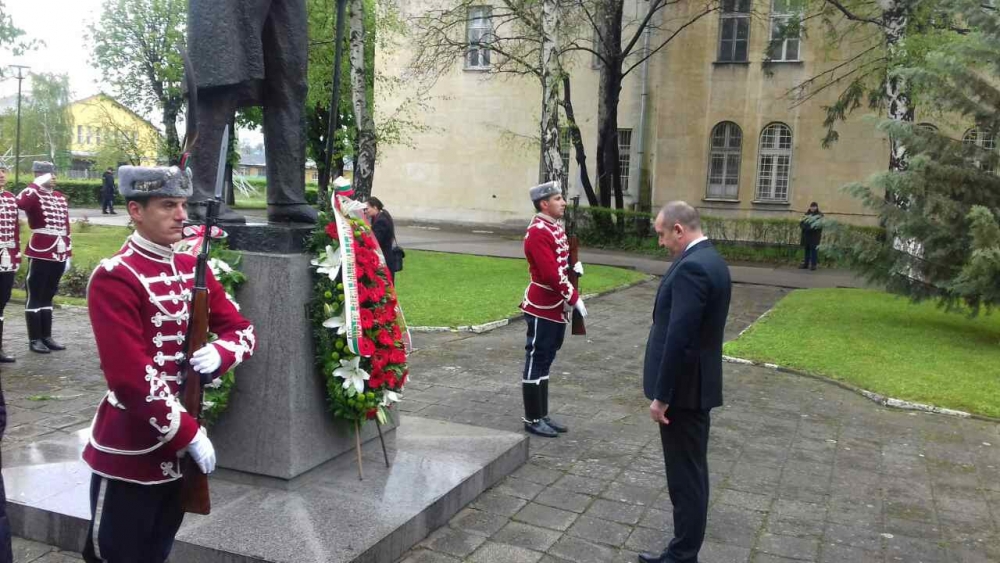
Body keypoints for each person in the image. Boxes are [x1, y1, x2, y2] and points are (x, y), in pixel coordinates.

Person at [81, 165, 256, 563]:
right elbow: (130, 379)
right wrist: (190, 434)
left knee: (157, 551)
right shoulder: (116, 276)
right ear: (135, 211)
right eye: (167, 205)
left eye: (182, 204)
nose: (181, 215)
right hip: (131, 450)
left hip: (178, 458)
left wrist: (223, 352)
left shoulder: (193, 269)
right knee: (114, 555)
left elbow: (243, 330)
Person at [639, 201, 731, 563]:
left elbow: (680, 338)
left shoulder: (693, 267)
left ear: (679, 229)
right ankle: (684, 549)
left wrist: (662, 397)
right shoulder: (711, 259)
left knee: (685, 478)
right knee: (692, 471)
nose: (660, 242)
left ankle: (682, 555)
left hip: (684, 392)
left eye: (662, 234)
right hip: (696, 385)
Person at [519, 181, 586, 438]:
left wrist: (573, 268)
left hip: (555, 307)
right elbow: (548, 274)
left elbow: (559, 265)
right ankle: (532, 417)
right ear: (544, 204)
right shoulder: (538, 231)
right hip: (542, 305)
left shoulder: (553, 227)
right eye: (558, 198)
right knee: (536, 359)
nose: (564, 202)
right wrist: (574, 296)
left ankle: (542, 414)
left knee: (546, 359)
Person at [16, 162, 70, 354]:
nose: (54, 177)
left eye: (54, 173)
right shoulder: (33, 195)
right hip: (40, 250)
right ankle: (34, 339)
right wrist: (35, 184)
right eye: (49, 174)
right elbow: (20, 203)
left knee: (49, 294)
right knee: (36, 295)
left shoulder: (59, 198)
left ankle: (46, 336)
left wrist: (68, 252)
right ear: (40, 176)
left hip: (59, 250)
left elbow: (65, 227)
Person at [0, 166, 20, 363]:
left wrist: (15, 255)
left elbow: (14, 230)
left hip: (6, 258)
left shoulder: (10, 198)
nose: (1, 176)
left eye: (3, 173)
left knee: (2, 301)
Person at [365, 196, 400, 282]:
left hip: (385, 258)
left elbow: (376, 240)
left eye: (367, 208)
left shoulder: (381, 220)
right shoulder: (381, 215)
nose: (366, 211)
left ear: (375, 207)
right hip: (385, 255)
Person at [800, 202, 823, 270]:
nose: (812, 208)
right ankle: (806, 264)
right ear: (810, 207)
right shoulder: (806, 214)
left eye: (814, 207)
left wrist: (809, 228)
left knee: (813, 251)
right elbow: (801, 223)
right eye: (812, 206)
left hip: (814, 236)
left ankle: (813, 265)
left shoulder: (819, 215)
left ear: (816, 207)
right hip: (806, 235)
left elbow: (818, 225)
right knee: (806, 250)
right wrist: (803, 227)